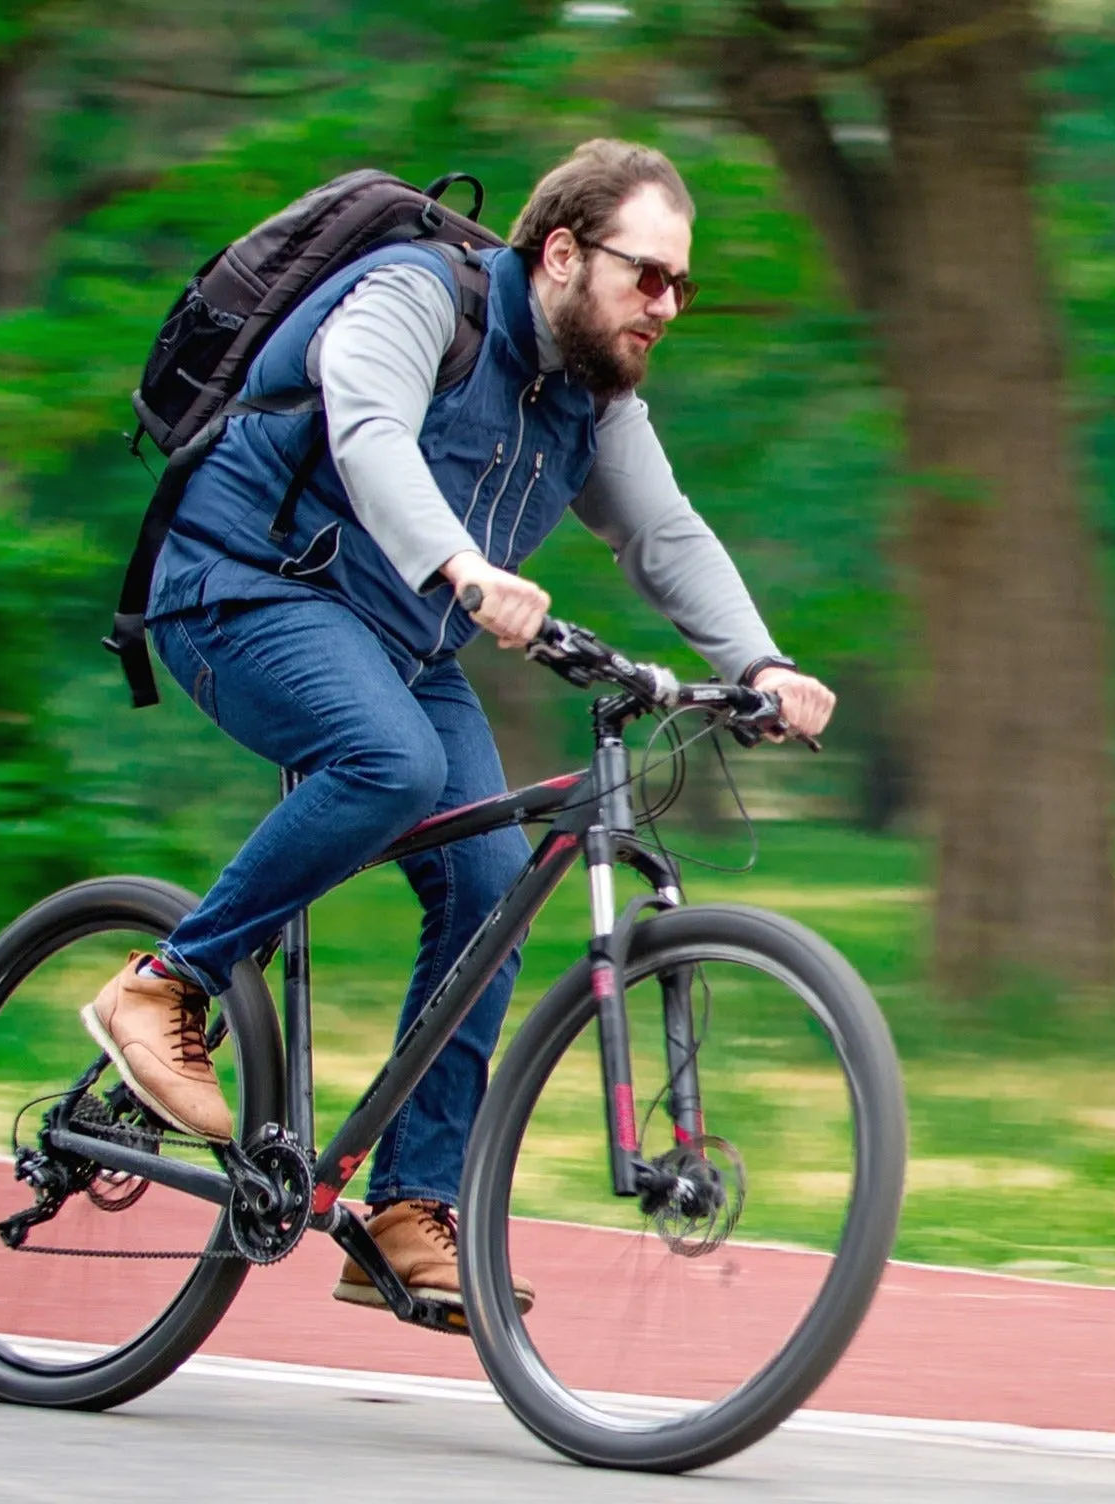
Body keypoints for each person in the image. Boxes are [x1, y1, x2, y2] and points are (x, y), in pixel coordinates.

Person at [80, 139, 835, 1317]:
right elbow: (367, 426)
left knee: (491, 874)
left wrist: (760, 662)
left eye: (683, 287)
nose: (667, 306)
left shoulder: (596, 399)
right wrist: (462, 565)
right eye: (648, 277)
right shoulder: (422, 295)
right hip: (239, 585)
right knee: (391, 761)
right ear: (562, 252)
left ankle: (406, 1203)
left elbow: (663, 533)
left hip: (400, 636)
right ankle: (167, 983)